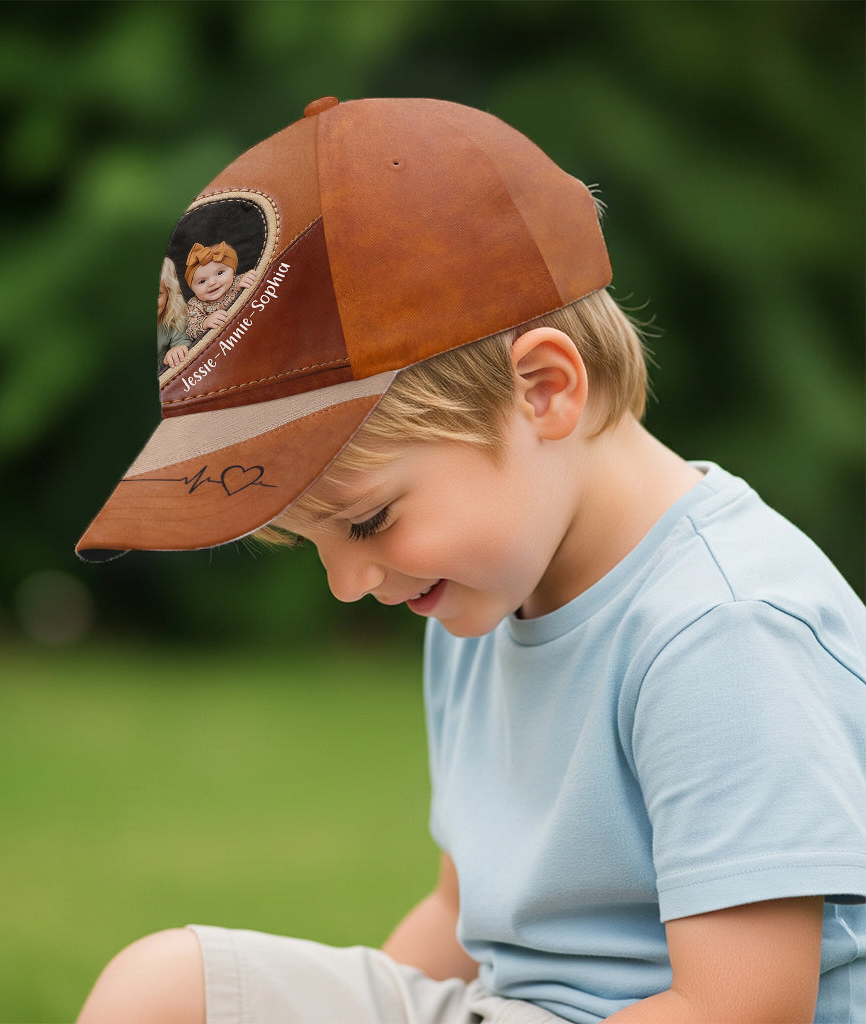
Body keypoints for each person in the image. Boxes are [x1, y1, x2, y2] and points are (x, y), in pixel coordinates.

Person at [75, 97, 866, 1023]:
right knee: (164, 990)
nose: (347, 583)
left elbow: (742, 1008)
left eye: (366, 522)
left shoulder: (720, 628)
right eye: (314, 542)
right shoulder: (476, 595)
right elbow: (462, 917)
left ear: (543, 391)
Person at [183, 240, 258, 343]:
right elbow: (191, 330)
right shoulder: (196, 305)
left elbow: (260, 288)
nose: (212, 283)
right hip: (226, 343)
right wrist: (205, 323)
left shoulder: (238, 282)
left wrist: (250, 279)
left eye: (220, 273)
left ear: (233, 272)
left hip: (252, 326)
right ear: (193, 288)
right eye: (202, 281)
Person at [158, 256, 190, 370]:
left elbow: (182, 340)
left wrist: (178, 349)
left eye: (158, 294)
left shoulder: (172, 320)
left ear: (169, 295)